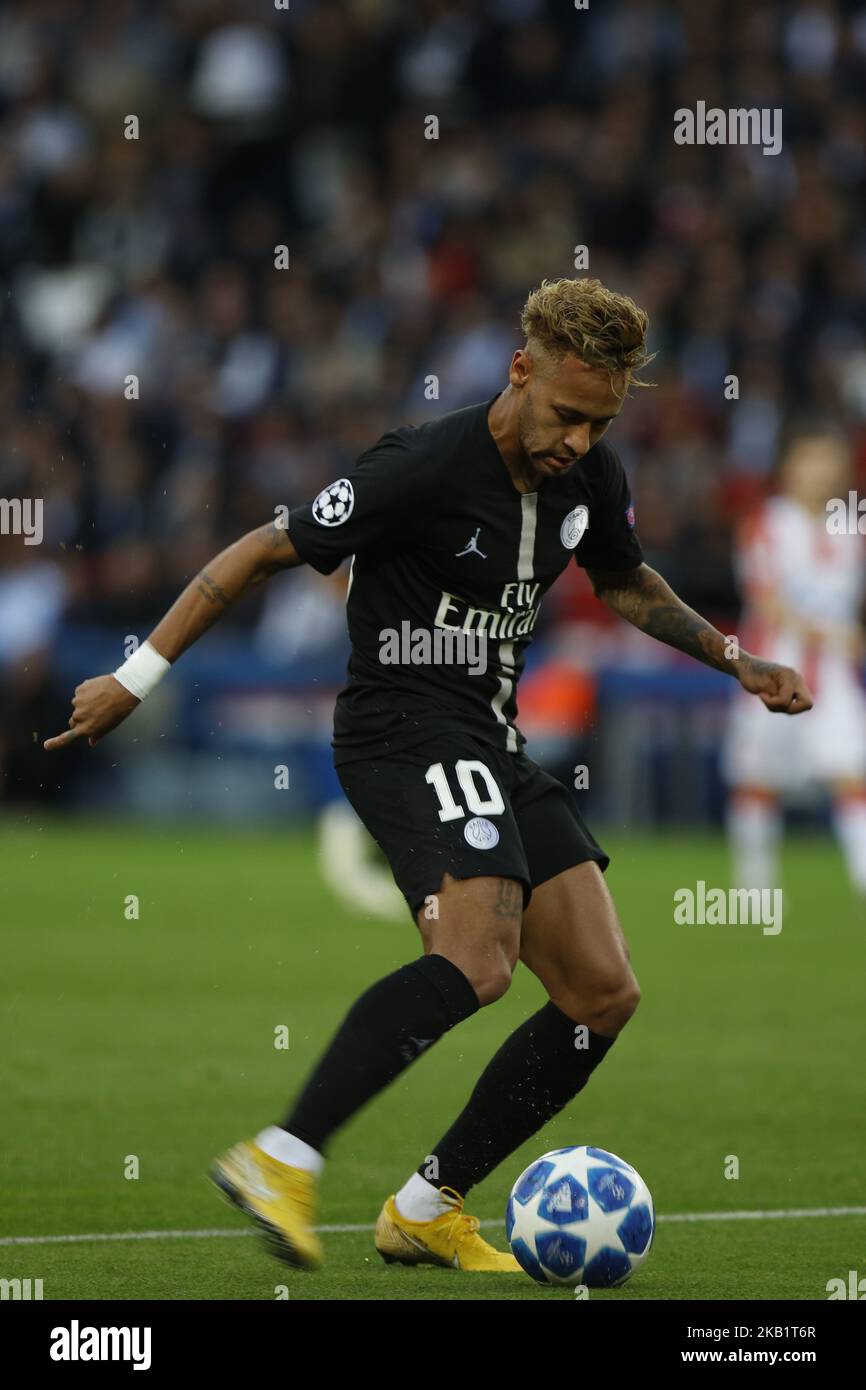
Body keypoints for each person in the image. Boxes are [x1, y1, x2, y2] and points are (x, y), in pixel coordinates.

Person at [46, 278, 812, 1275]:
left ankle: (424, 1203)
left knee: (600, 992)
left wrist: (730, 656)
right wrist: (135, 676)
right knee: (478, 960)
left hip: (491, 739)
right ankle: (280, 1156)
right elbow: (258, 551)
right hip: (400, 729)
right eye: (567, 415)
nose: (577, 440)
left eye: (599, 421)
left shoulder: (587, 476)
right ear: (519, 369)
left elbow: (621, 576)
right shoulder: (420, 465)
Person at [725, 429, 866, 896]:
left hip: (835, 681)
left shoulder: (852, 528)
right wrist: (835, 636)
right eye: (811, 459)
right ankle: (754, 890)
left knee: (852, 774)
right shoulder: (766, 524)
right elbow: (768, 602)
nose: (821, 471)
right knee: (758, 781)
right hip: (773, 673)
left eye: (829, 460)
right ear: (789, 466)